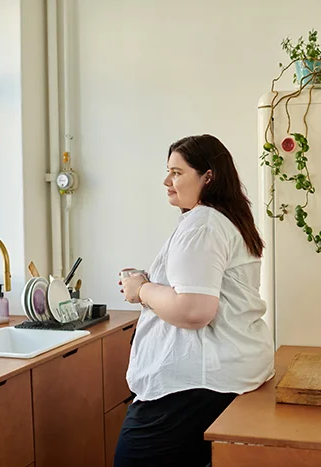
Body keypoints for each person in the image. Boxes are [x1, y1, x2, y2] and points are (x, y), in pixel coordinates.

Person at [115, 134, 275, 467]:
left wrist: (141, 289)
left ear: (208, 176)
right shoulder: (226, 220)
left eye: (177, 172)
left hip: (189, 387)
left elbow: (194, 309)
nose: (166, 181)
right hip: (223, 376)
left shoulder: (203, 224)